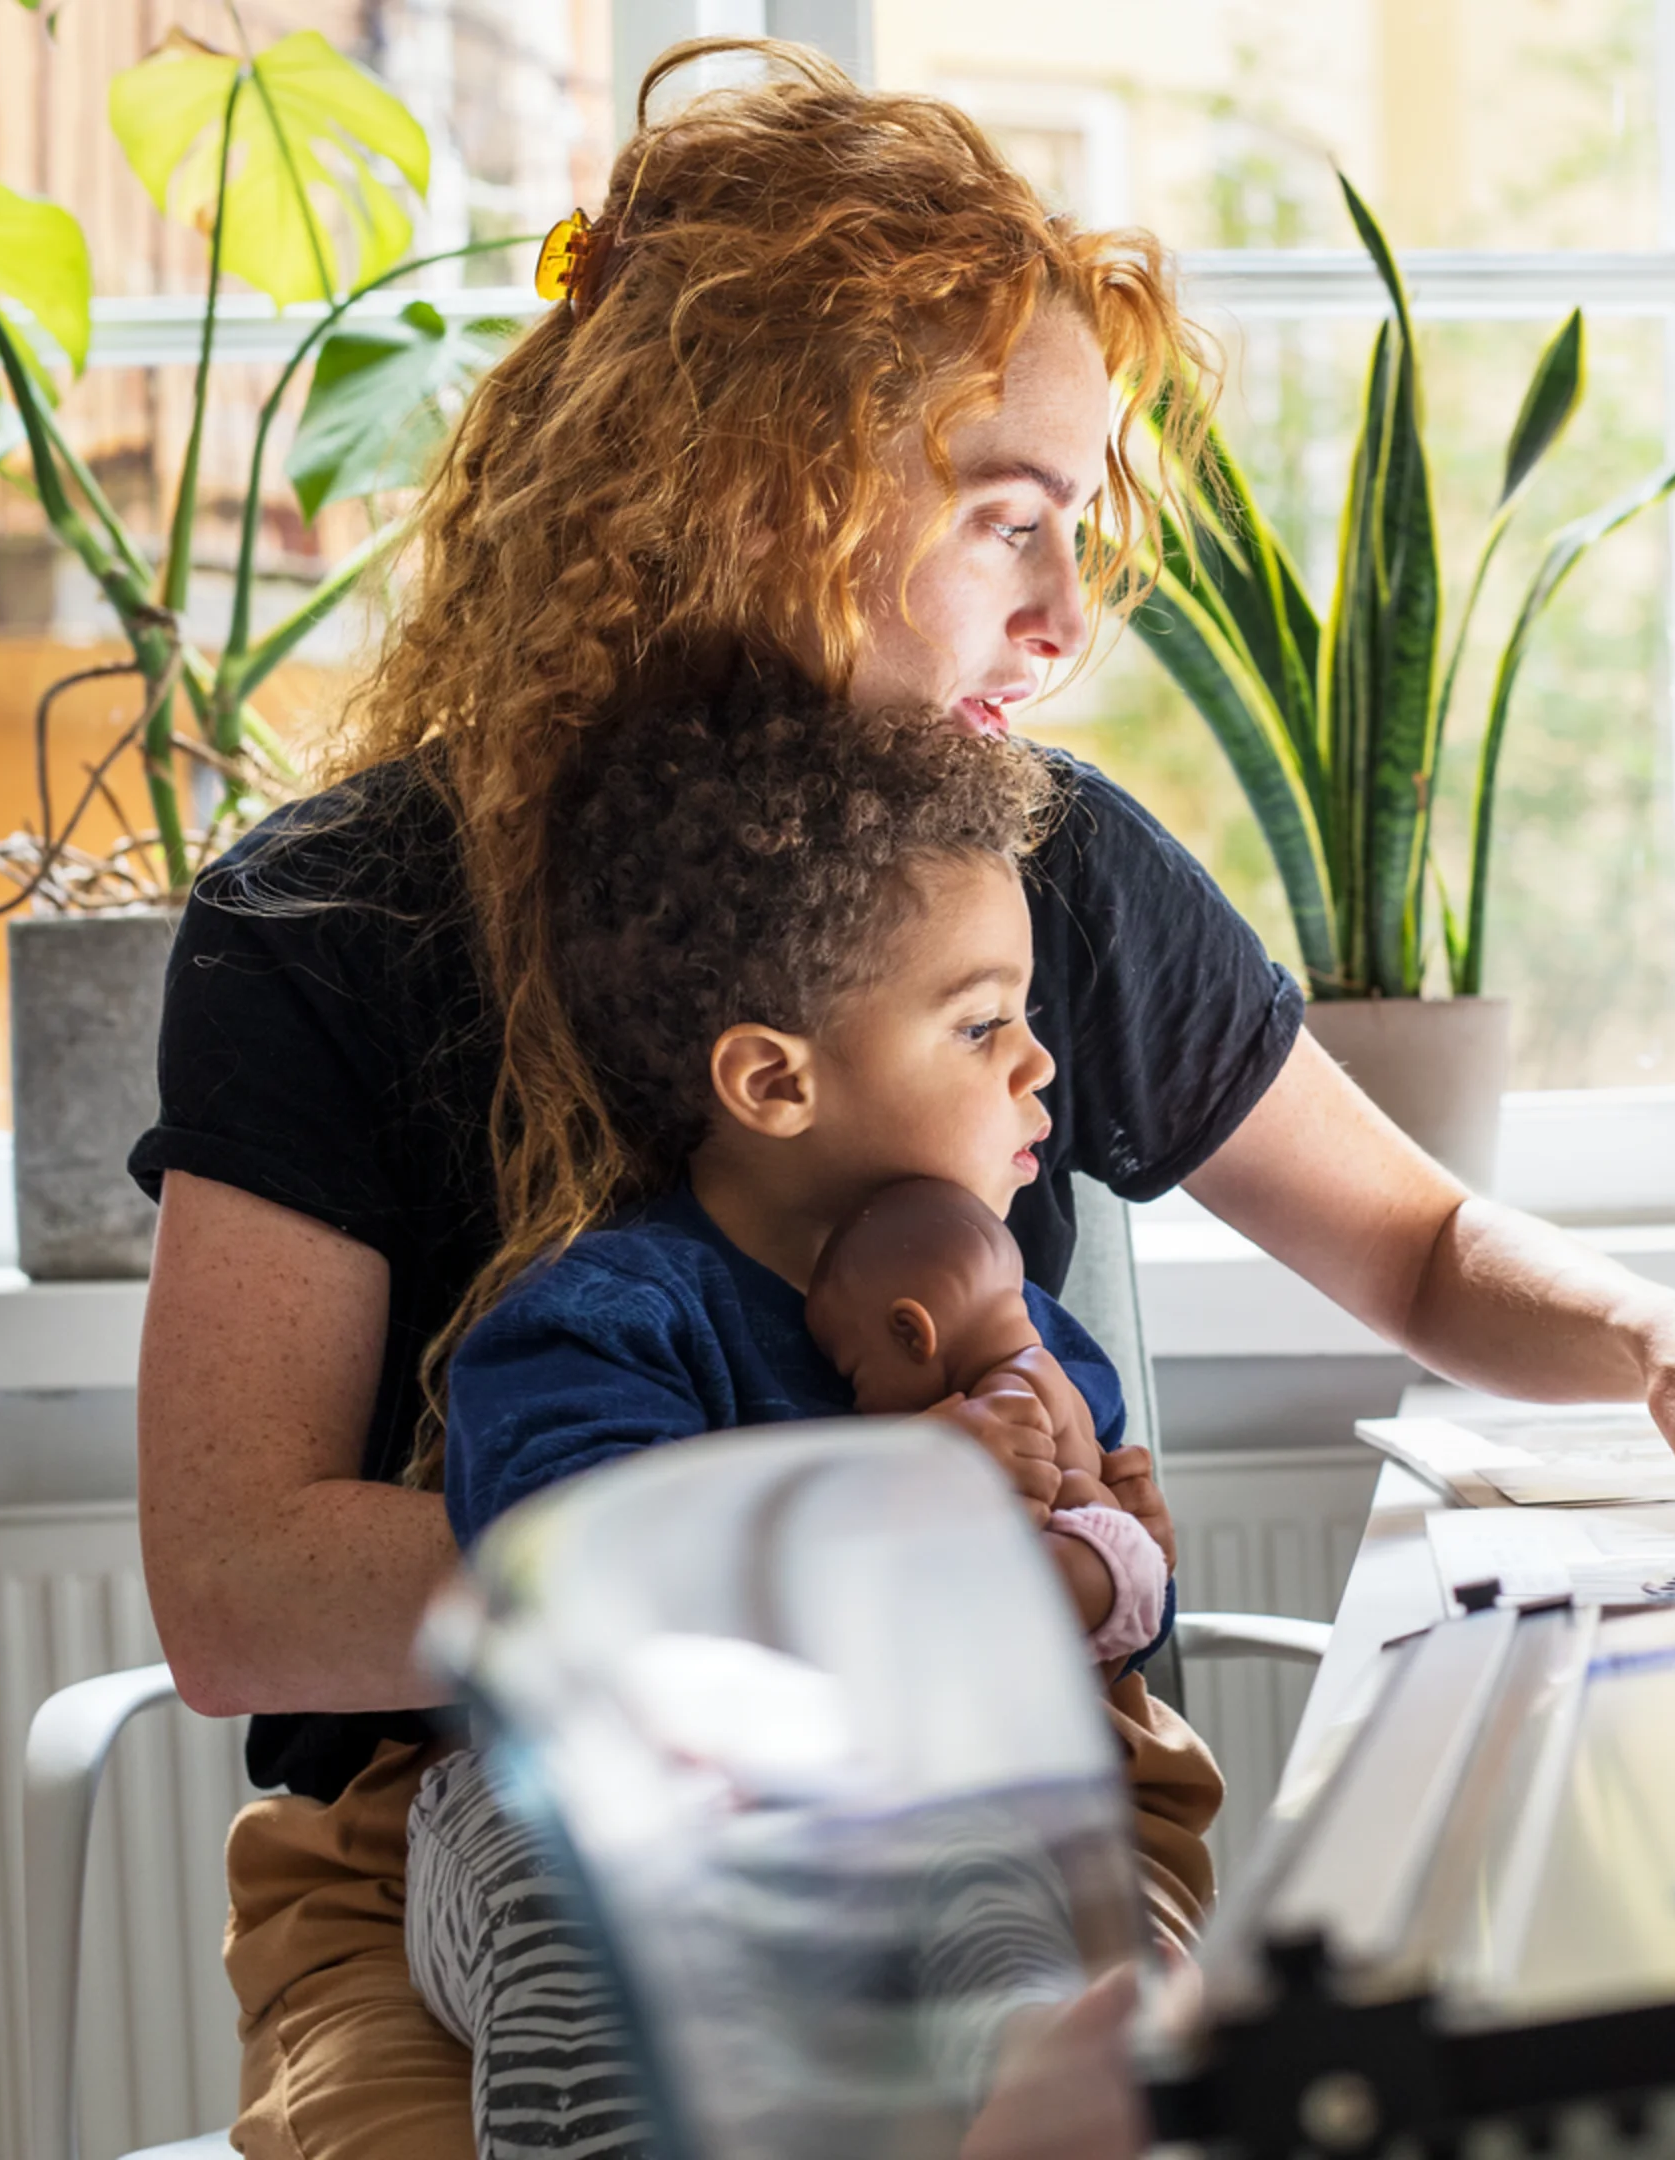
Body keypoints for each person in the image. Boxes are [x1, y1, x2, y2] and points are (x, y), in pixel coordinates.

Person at [132, 38, 1675, 2160]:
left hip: (993, 1795)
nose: (1069, 611)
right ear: (753, 487)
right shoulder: (333, 918)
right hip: (461, 1836)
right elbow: (238, 1584)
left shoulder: (1052, 866)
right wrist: (827, 1559)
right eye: (1006, 517)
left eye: (1077, 523)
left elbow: (1423, 1242)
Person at [405, 696, 1184, 2159]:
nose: (1039, 1067)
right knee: (569, 1899)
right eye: (980, 1022)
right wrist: (901, 1497)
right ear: (774, 1080)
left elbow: (1095, 1611)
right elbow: (570, 1598)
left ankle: (1033, 2095)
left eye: (1027, 1017)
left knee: (1001, 1903)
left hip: (896, 1803)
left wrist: (1107, 1551)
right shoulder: (607, 1318)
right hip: (590, 1817)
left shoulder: (1014, 1326)